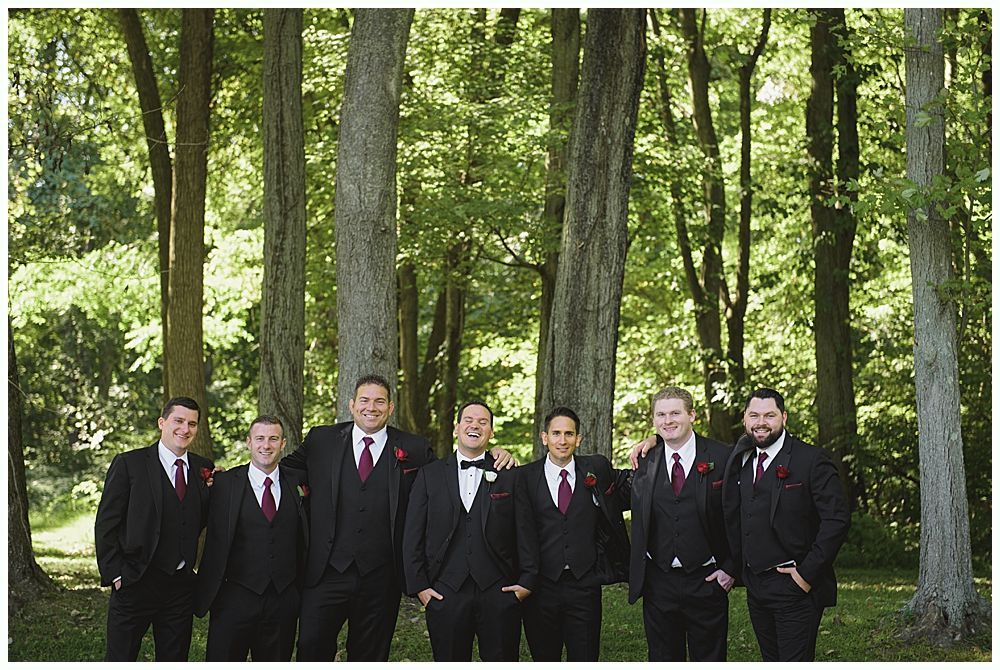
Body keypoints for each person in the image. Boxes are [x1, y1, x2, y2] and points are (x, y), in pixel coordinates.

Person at [283, 374, 515, 661]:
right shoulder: (322, 439)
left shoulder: (414, 448)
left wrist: (494, 453)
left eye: (380, 401)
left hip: (382, 577)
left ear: (390, 408)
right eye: (365, 400)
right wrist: (230, 481)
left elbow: (452, 475)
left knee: (370, 655)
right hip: (326, 572)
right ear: (352, 405)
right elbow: (283, 470)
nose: (372, 407)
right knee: (311, 649)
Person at [402, 400, 537, 661]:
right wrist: (420, 587)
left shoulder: (509, 475)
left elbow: (525, 530)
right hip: (445, 592)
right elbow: (413, 534)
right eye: (469, 420)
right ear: (456, 428)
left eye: (483, 422)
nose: (475, 425)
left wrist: (526, 583)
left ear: (491, 432)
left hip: (499, 592)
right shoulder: (429, 475)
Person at [722, 388, 850, 662]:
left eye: (770, 415)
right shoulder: (740, 458)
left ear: (784, 417)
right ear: (745, 419)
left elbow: (836, 520)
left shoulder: (812, 460)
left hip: (795, 586)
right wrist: (654, 440)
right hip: (756, 586)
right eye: (754, 415)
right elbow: (690, 446)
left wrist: (805, 575)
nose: (761, 422)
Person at [95, 396, 215, 661]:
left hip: (180, 587)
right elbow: (106, 522)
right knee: (120, 658)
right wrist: (115, 573)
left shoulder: (203, 468)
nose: (185, 429)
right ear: (162, 422)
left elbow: (203, 517)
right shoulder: (129, 464)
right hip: (135, 580)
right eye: (179, 421)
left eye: (192, 424)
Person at [628, 386, 735, 661]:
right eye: (660, 415)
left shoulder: (722, 457)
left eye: (675, 413)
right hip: (658, 581)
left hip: (707, 578)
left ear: (692, 416)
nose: (668, 421)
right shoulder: (644, 460)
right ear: (653, 420)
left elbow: (740, 514)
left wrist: (730, 569)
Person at [519, 406, 631, 661]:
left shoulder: (597, 469)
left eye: (569, 434)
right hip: (540, 587)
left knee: (585, 657)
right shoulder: (523, 477)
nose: (562, 440)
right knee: (544, 658)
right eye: (556, 433)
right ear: (544, 437)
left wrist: (655, 441)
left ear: (578, 439)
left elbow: (637, 482)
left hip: (585, 584)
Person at [195, 415, 309, 661]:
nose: (265, 445)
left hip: (283, 598)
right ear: (248, 442)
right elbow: (190, 520)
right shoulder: (223, 484)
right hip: (233, 596)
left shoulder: (297, 482)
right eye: (259, 439)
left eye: (273, 439)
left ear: (283, 443)